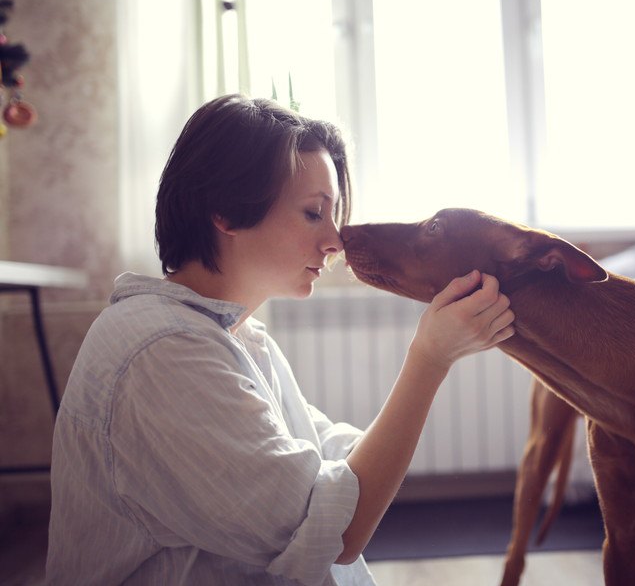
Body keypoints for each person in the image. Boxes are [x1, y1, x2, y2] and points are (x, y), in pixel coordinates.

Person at [45, 94, 515, 585]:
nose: (335, 242)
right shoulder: (162, 351)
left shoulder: (235, 336)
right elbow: (334, 529)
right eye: (314, 213)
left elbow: (328, 457)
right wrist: (429, 359)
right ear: (225, 210)